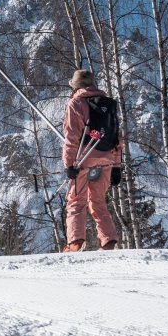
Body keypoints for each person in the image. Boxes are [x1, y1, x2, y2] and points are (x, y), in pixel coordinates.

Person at [62, 69, 121, 252]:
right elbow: (117, 136)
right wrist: (117, 165)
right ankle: (108, 240)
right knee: (98, 201)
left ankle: (75, 243)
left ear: (75, 86)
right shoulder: (108, 104)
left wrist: (69, 165)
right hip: (107, 158)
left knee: (76, 201)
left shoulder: (76, 103)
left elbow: (71, 137)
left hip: (83, 160)